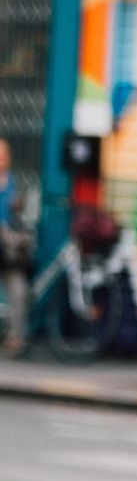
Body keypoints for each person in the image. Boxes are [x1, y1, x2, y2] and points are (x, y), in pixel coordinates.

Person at [0, 138, 33, 356]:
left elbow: (23, 215)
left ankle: (16, 338)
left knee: (19, 291)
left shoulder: (14, 183)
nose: (2, 159)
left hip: (8, 252)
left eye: (5, 155)